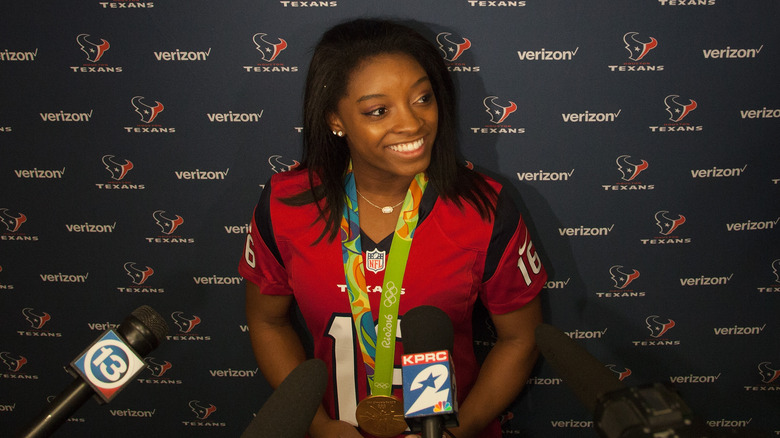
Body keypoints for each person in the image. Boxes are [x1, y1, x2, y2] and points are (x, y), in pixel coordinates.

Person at [238, 19, 546, 438]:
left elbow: (521, 339)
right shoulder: (285, 204)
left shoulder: (484, 209)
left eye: (422, 98)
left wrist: (458, 430)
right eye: (378, 111)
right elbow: (267, 322)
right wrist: (319, 425)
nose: (413, 124)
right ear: (335, 119)